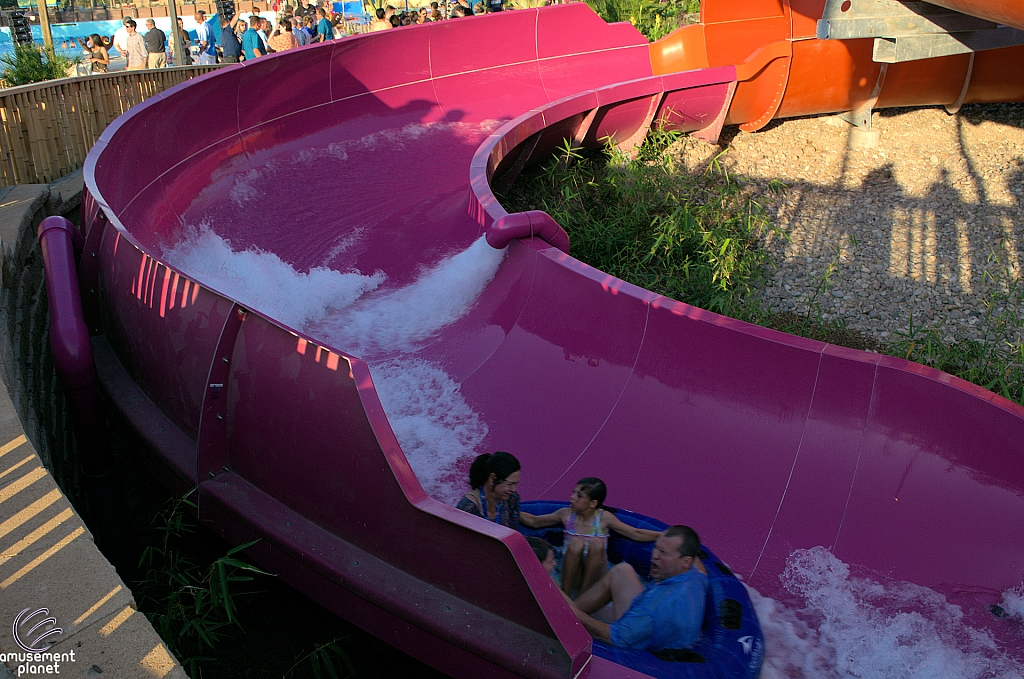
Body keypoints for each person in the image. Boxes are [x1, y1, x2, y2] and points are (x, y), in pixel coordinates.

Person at [567, 526, 708, 652]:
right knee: (622, 571)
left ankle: (565, 614)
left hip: (648, 650)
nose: (655, 556)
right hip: (667, 631)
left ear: (685, 561)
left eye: (664, 553)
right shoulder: (696, 577)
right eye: (656, 548)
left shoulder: (654, 607)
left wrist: (575, 613)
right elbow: (698, 564)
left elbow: (616, 638)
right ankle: (573, 607)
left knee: (577, 612)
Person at [521, 478, 661, 596]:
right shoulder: (566, 514)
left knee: (596, 543)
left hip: (595, 576)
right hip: (573, 574)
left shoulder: (603, 518)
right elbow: (535, 521)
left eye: (579, 496)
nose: (572, 497)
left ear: (593, 503)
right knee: (576, 544)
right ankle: (565, 594)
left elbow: (635, 533)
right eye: (573, 492)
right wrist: (509, 509)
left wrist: (663, 535)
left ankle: (584, 596)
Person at [455, 452, 526, 529]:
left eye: (516, 484)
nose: (513, 489)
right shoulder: (468, 508)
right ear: (492, 478)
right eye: (510, 484)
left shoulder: (512, 499)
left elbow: (514, 532)